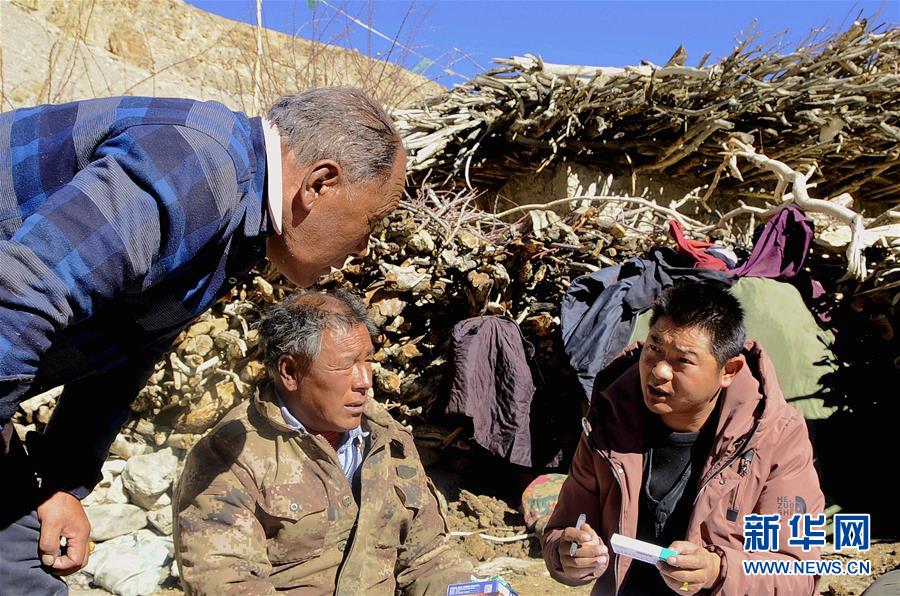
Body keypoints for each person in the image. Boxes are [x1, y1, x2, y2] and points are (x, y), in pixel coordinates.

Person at [0, 88, 406, 593]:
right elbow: (20, 293)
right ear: (320, 182)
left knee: (22, 574)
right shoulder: (200, 165)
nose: (364, 248)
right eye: (370, 223)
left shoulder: (236, 228)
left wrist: (63, 482)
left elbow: (126, 347)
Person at [174, 289, 471, 594]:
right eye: (345, 366)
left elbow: (427, 557)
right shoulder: (229, 459)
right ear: (290, 371)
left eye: (368, 361)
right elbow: (228, 586)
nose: (365, 381)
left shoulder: (386, 439)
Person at [542, 282, 824, 595]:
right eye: (654, 349)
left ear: (729, 370)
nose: (659, 371)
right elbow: (562, 531)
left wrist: (718, 570)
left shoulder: (775, 436)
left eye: (683, 361)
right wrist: (568, 554)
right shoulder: (611, 418)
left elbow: (799, 573)